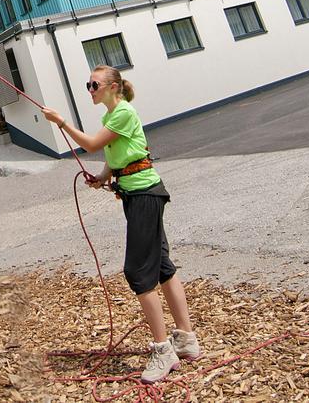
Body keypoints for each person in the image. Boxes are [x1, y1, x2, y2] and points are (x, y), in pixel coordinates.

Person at [41, 66, 198, 385]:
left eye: (94, 84)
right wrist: (103, 177)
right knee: (163, 266)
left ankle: (163, 350)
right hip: (138, 194)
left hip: (144, 195)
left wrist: (61, 123)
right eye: (88, 85)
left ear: (113, 87)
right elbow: (116, 156)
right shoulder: (113, 116)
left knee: (138, 272)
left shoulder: (123, 112)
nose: (90, 89)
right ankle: (186, 338)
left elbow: (92, 145)